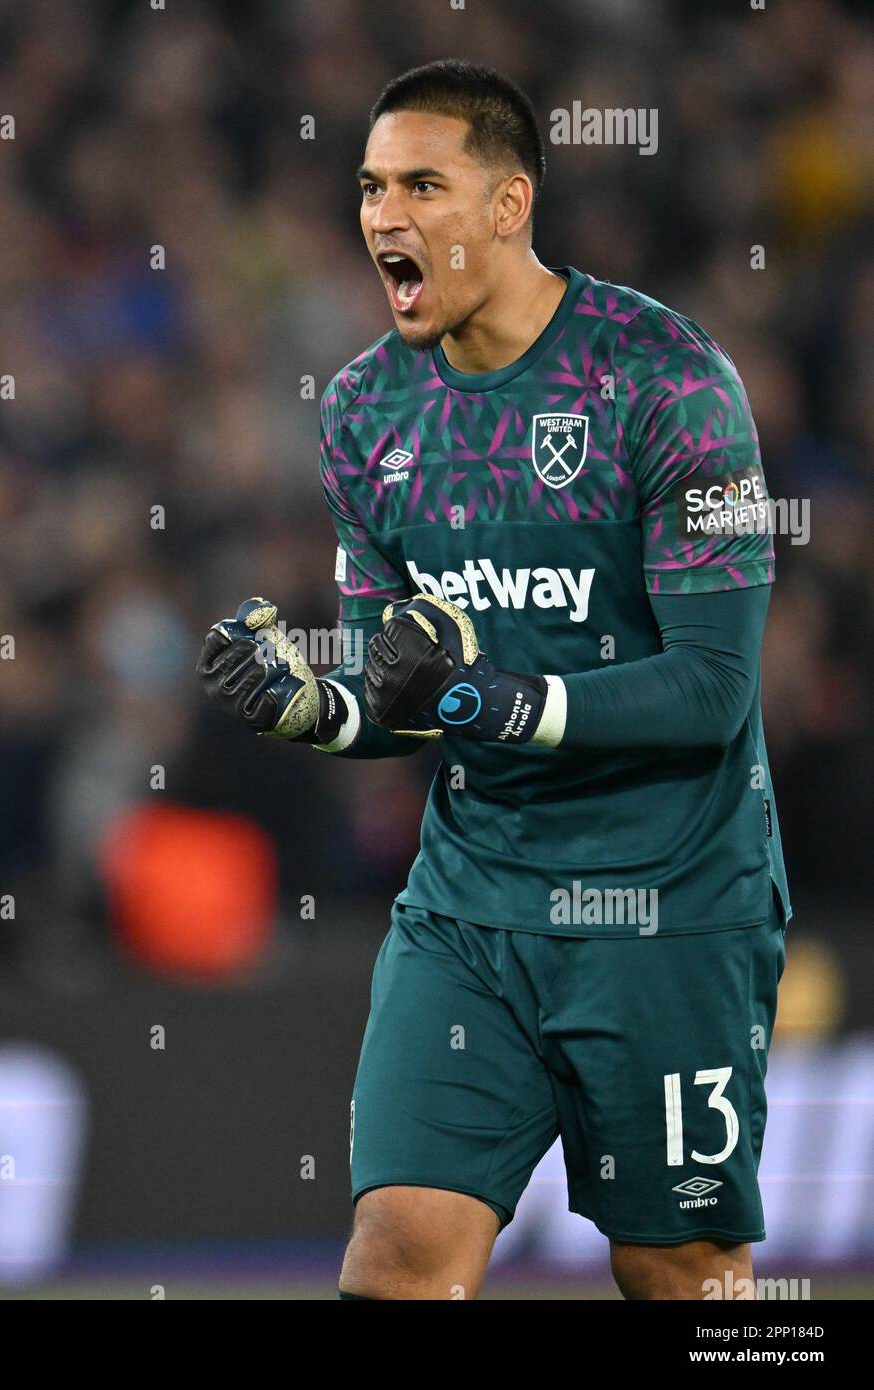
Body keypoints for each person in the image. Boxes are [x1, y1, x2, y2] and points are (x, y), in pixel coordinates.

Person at [198, 59, 790, 1301]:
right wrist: (319, 706)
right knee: (401, 1251)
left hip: (669, 901)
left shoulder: (668, 382)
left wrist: (489, 697)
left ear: (511, 203)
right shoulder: (365, 410)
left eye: (423, 184)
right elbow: (395, 682)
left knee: (679, 1269)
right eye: (370, 188)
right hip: (475, 906)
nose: (383, 217)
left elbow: (711, 691)